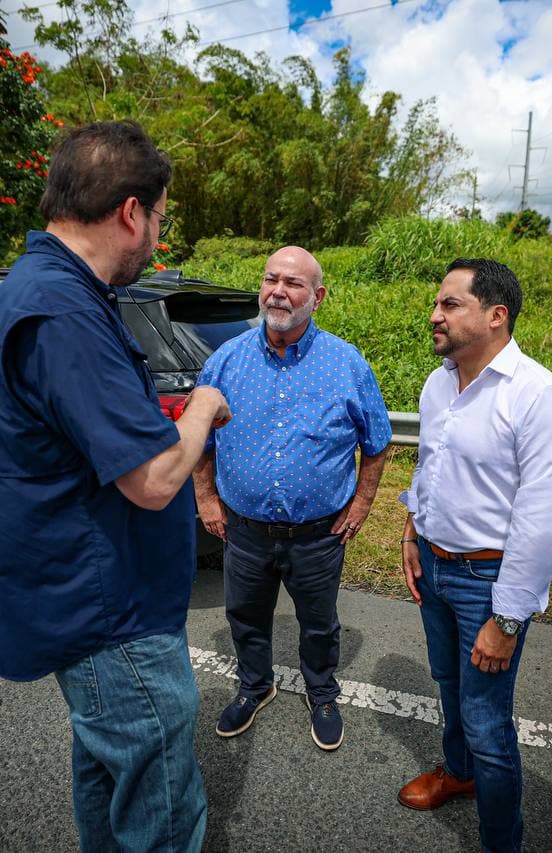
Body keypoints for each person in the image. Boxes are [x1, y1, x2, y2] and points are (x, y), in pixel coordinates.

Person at [0, 120, 231, 853]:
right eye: (160, 221)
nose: (158, 240)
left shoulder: (46, 290)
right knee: (162, 807)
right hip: (110, 612)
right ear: (131, 211)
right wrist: (202, 406)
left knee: (108, 778)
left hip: (82, 599)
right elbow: (151, 478)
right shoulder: (63, 310)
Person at [398, 258, 552, 853]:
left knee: (486, 720)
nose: (435, 315)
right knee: (447, 685)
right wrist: (411, 533)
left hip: (488, 580)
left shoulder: (540, 398)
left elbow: (540, 519)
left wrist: (506, 620)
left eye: (450, 304)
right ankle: (459, 774)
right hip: (435, 561)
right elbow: (432, 469)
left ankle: (502, 840)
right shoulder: (439, 382)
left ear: (496, 316)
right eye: (437, 303)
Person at [193, 246, 392, 751]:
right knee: (244, 616)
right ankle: (254, 686)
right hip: (244, 530)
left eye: (294, 283)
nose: (278, 291)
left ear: (317, 297)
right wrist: (206, 498)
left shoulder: (346, 363)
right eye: (270, 279)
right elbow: (201, 438)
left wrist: (363, 503)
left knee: (320, 624)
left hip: (318, 535)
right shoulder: (225, 361)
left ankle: (322, 693)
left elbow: (378, 441)